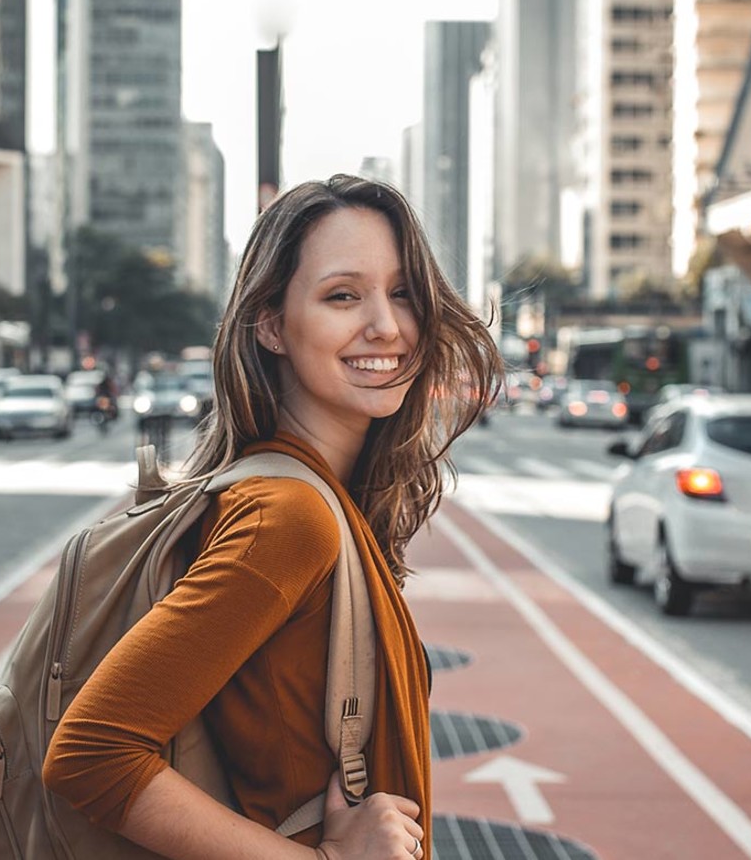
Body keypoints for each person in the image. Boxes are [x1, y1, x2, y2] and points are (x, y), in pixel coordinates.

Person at [40, 175, 501, 860]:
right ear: (272, 326)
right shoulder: (288, 517)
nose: (387, 325)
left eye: (402, 292)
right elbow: (90, 753)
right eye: (343, 295)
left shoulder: (316, 497)